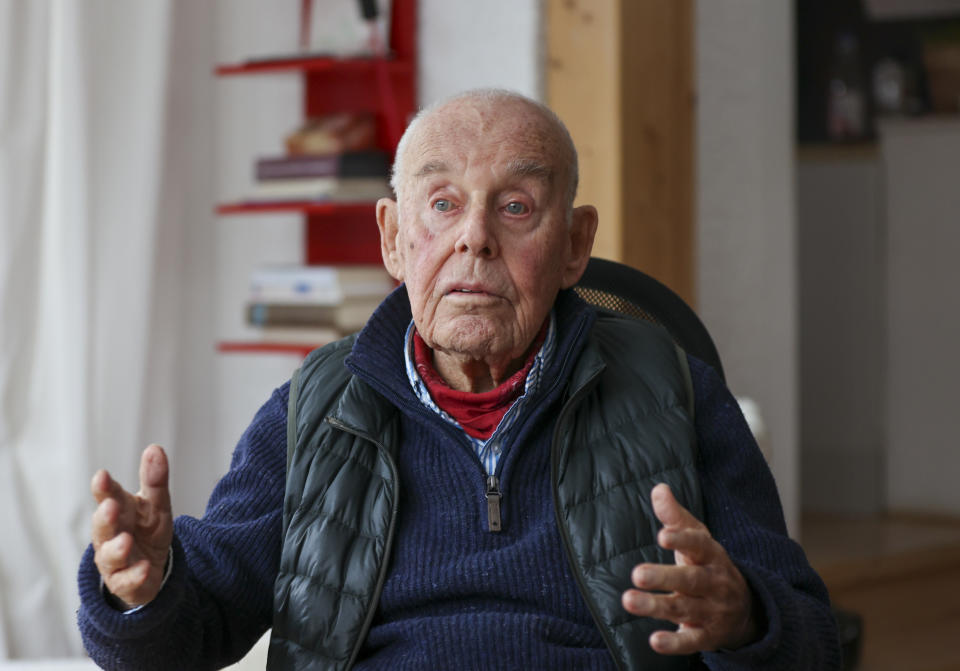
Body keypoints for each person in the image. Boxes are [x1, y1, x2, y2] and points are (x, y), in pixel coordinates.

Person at [78, 89, 841, 670]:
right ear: (393, 238)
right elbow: (194, 626)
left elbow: (814, 638)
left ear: (575, 245)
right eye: (442, 204)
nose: (474, 236)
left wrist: (744, 614)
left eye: (515, 206)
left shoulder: (674, 390)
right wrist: (143, 587)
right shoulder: (314, 408)